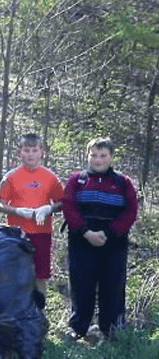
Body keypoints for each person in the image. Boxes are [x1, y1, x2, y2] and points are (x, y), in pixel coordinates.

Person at [62, 137, 138, 341]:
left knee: (112, 285)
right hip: (81, 240)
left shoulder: (123, 182)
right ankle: (78, 328)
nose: (98, 159)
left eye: (103, 155)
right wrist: (86, 231)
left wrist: (109, 233)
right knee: (81, 286)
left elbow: (131, 211)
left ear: (111, 157)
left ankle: (110, 329)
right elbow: (68, 207)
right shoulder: (76, 180)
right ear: (87, 156)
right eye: (93, 155)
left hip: (113, 242)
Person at [0, 133, 64, 296]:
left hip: (42, 233)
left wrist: (48, 209)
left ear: (42, 152)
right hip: (16, 234)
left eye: (34, 150)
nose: (31, 154)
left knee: (40, 275)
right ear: (19, 153)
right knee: (15, 275)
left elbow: (62, 202)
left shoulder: (50, 177)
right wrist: (17, 211)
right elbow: (0, 205)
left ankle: (39, 313)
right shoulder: (11, 177)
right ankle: (15, 314)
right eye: (26, 150)